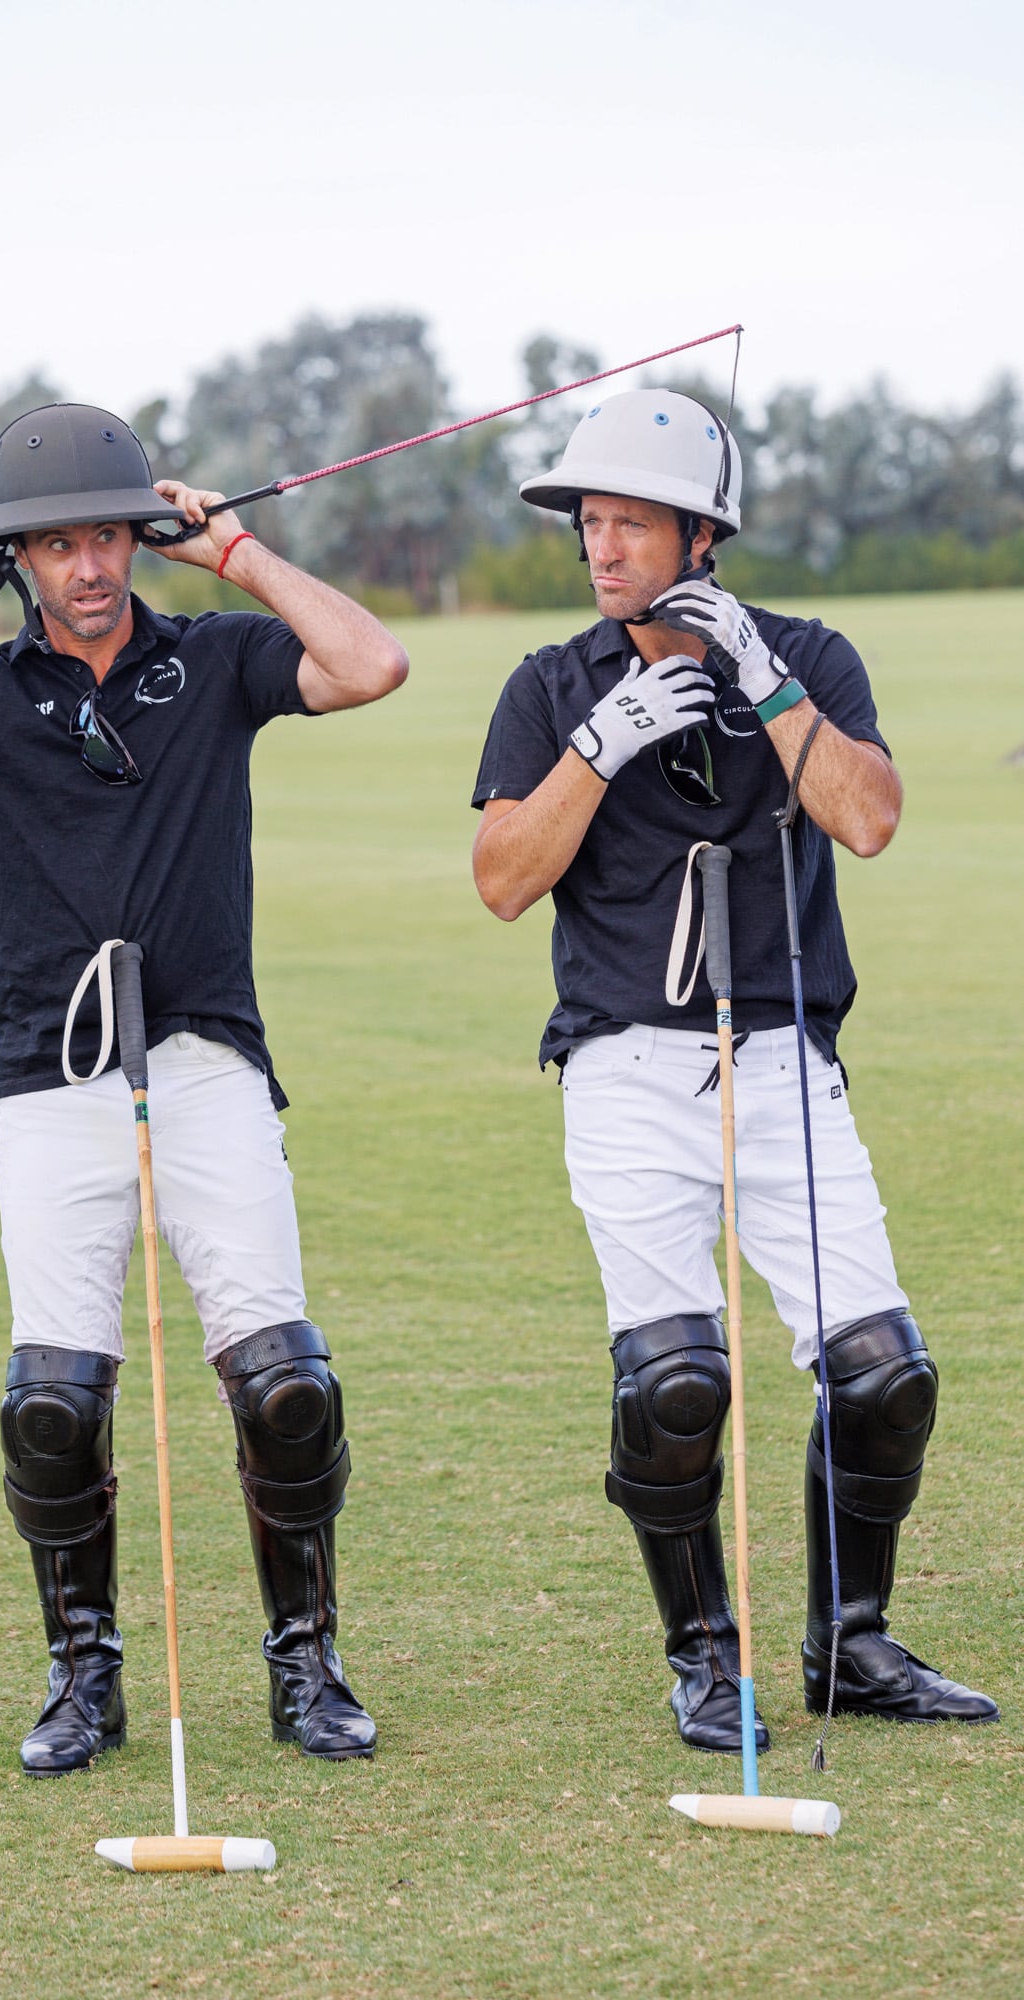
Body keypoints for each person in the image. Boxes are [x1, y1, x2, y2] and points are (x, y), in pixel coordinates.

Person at [0, 402, 408, 1775]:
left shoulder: (222, 662)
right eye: (52, 544)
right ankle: (85, 1677)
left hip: (204, 1061)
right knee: (53, 1403)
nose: (87, 567)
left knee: (285, 1381)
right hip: (50, 1081)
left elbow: (371, 663)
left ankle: (308, 1665)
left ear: (142, 536)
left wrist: (234, 552)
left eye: (108, 537)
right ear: (19, 559)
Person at [470, 389, 998, 1752]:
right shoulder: (546, 685)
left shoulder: (809, 655)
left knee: (883, 1374)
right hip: (624, 1066)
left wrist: (761, 679)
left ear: (701, 533)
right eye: (588, 520)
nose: (601, 546)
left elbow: (865, 820)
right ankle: (703, 1657)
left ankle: (850, 1643)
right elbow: (501, 880)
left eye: (630, 520)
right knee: (673, 1382)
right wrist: (604, 741)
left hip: (780, 1062)